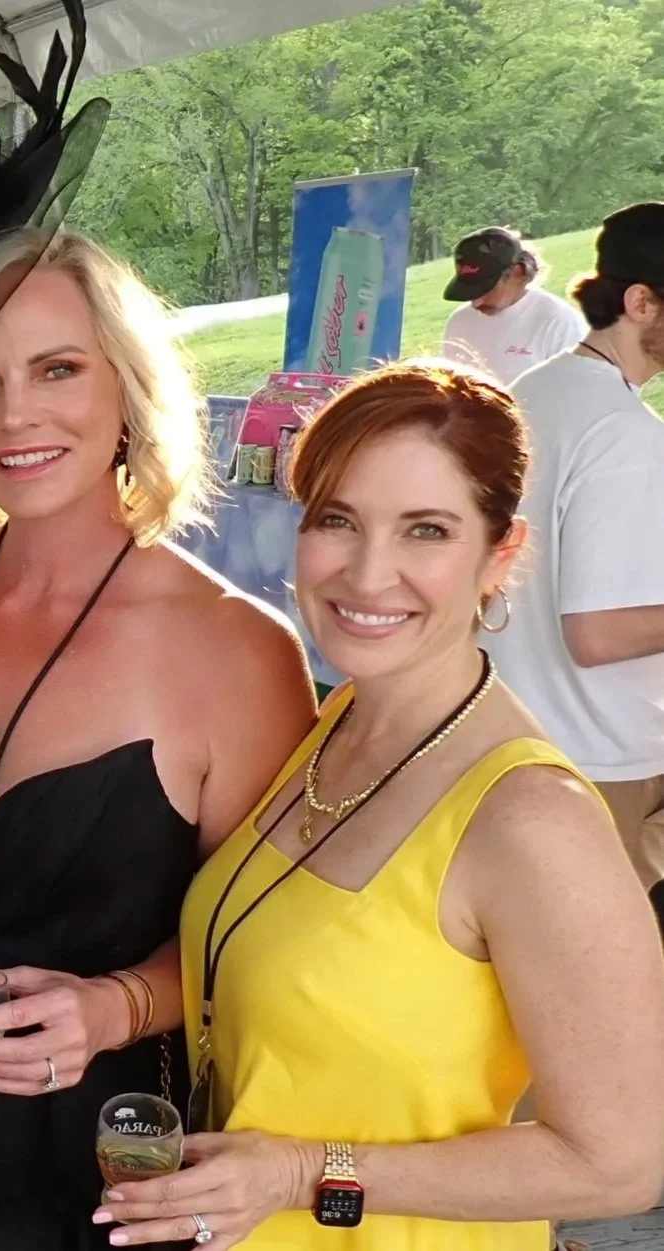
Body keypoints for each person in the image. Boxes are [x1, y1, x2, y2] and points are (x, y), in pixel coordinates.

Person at [94, 363, 664, 1250]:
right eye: (337, 520)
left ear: (499, 553)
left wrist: (298, 1172)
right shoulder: (341, 718)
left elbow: (620, 1161)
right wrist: (106, 1004)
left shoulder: (530, 819)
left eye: (425, 530)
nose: (367, 573)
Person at [0, 230, 315, 1251]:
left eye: (58, 369)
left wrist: (117, 1007)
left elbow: (265, 943)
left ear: (127, 390)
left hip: (90, 1164)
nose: (17, 415)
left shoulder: (232, 651)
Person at [485, 203, 664, 888]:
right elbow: (596, 633)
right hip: (603, 761)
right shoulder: (624, 433)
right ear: (640, 302)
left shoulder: (531, 392)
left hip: (517, 741)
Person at [440, 228, 586, 388]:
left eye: (486, 290)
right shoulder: (459, 321)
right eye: (471, 292)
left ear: (518, 272)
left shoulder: (560, 323)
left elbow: (575, 392)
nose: (476, 303)